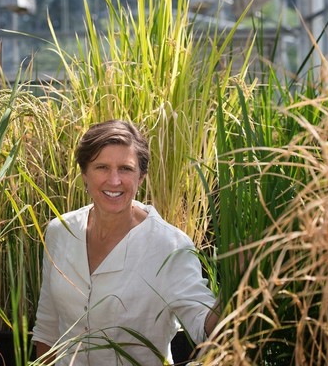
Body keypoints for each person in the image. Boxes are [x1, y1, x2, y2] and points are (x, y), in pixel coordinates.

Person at [32, 120, 220, 365]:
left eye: (125, 169)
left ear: (141, 177)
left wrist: (235, 290)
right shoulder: (61, 231)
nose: (114, 180)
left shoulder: (169, 246)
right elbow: (48, 327)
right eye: (102, 167)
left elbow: (204, 328)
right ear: (84, 175)